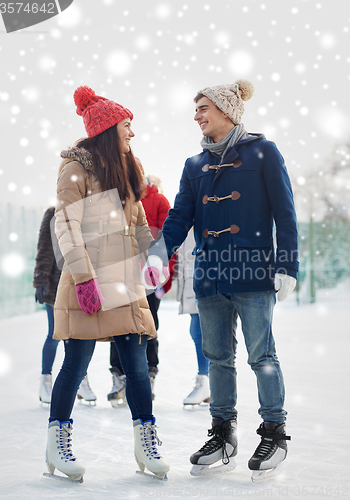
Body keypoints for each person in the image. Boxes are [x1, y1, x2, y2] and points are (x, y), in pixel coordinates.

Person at [141, 80, 298, 481]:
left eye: (203, 108)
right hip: (210, 275)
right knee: (217, 358)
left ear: (228, 110)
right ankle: (223, 431)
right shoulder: (195, 166)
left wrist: (287, 265)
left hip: (252, 272)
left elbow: (285, 212)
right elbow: (179, 218)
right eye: (195, 109)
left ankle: (274, 432)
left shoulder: (264, 152)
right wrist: (159, 254)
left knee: (261, 356)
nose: (196, 116)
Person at [45, 85, 170, 482]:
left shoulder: (129, 168)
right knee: (76, 363)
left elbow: (136, 223)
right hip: (90, 282)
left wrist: (151, 258)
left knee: (136, 366)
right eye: (127, 126)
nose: (132, 134)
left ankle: (146, 443)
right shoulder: (75, 170)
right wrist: (83, 280)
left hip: (125, 282)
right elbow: (67, 227)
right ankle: (57, 444)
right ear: (107, 128)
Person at [107, 174, 175, 405]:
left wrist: (165, 278)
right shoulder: (119, 199)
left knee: (148, 325)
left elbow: (167, 241)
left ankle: (148, 373)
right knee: (118, 326)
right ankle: (119, 376)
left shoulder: (160, 201)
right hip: (122, 277)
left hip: (148, 279)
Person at [33, 207, 96, 405]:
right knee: (55, 333)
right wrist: (40, 279)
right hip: (56, 284)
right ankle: (46, 381)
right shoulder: (53, 213)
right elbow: (44, 248)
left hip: (80, 284)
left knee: (79, 335)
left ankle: (81, 381)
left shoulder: (87, 213)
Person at [175, 228, 210, 407]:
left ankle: (208, 381)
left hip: (205, 275)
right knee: (197, 330)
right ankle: (207, 381)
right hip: (193, 275)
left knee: (202, 331)